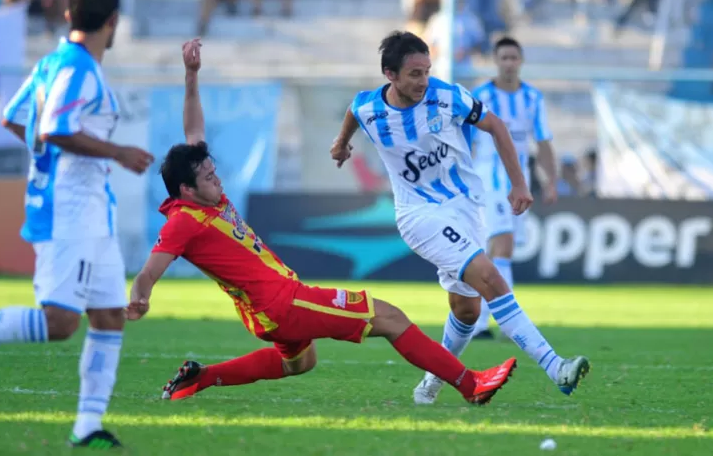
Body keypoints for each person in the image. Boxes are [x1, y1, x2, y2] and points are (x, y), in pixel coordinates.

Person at [128, 39, 517, 407]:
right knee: (390, 317)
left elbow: (194, 132)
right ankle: (471, 384)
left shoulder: (201, 193)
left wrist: (191, 75)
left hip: (265, 311)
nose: (219, 180)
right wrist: (140, 296)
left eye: (215, 171)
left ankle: (202, 377)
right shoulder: (182, 222)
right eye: (210, 178)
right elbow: (150, 269)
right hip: (283, 303)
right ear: (186, 189)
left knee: (299, 363)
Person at [329, 31, 590, 406]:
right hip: (419, 214)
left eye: (426, 71)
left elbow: (496, 126)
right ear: (390, 74)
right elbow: (355, 112)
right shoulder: (371, 108)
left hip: (467, 208)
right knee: (491, 277)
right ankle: (556, 367)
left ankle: (430, 386)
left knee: (466, 310)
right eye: (414, 74)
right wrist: (341, 143)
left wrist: (519, 184)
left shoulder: (447, 95)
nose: (423, 81)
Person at [0, 0, 155, 449]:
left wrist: (45, 156)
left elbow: (13, 117)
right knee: (61, 322)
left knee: (108, 317)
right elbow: (57, 127)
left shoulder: (52, 63)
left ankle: (87, 424)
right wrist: (116, 151)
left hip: (91, 215)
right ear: (113, 21)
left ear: (67, 15)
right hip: (70, 212)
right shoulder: (79, 68)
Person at [464, 37, 558, 341]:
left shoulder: (533, 97)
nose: (508, 63)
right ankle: (508, 321)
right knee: (501, 246)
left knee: (498, 251)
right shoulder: (480, 95)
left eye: (513, 58)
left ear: (521, 61)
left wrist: (551, 180)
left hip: (520, 180)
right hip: (489, 179)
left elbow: (542, 141)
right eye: (503, 58)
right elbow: (466, 142)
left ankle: (479, 321)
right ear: (495, 61)